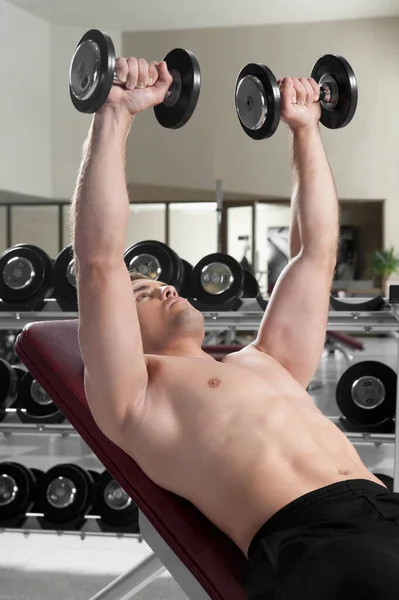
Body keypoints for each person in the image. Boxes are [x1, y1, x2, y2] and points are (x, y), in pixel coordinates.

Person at [72, 56, 399, 599]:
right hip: (318, 545)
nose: (164, 286)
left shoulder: (268, 360)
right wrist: (114, 111)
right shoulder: (137, 397)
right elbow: (98, 259)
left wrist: (305, 127)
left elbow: (316, 252)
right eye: (141, 292)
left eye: (155, 280)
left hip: (384, 507)